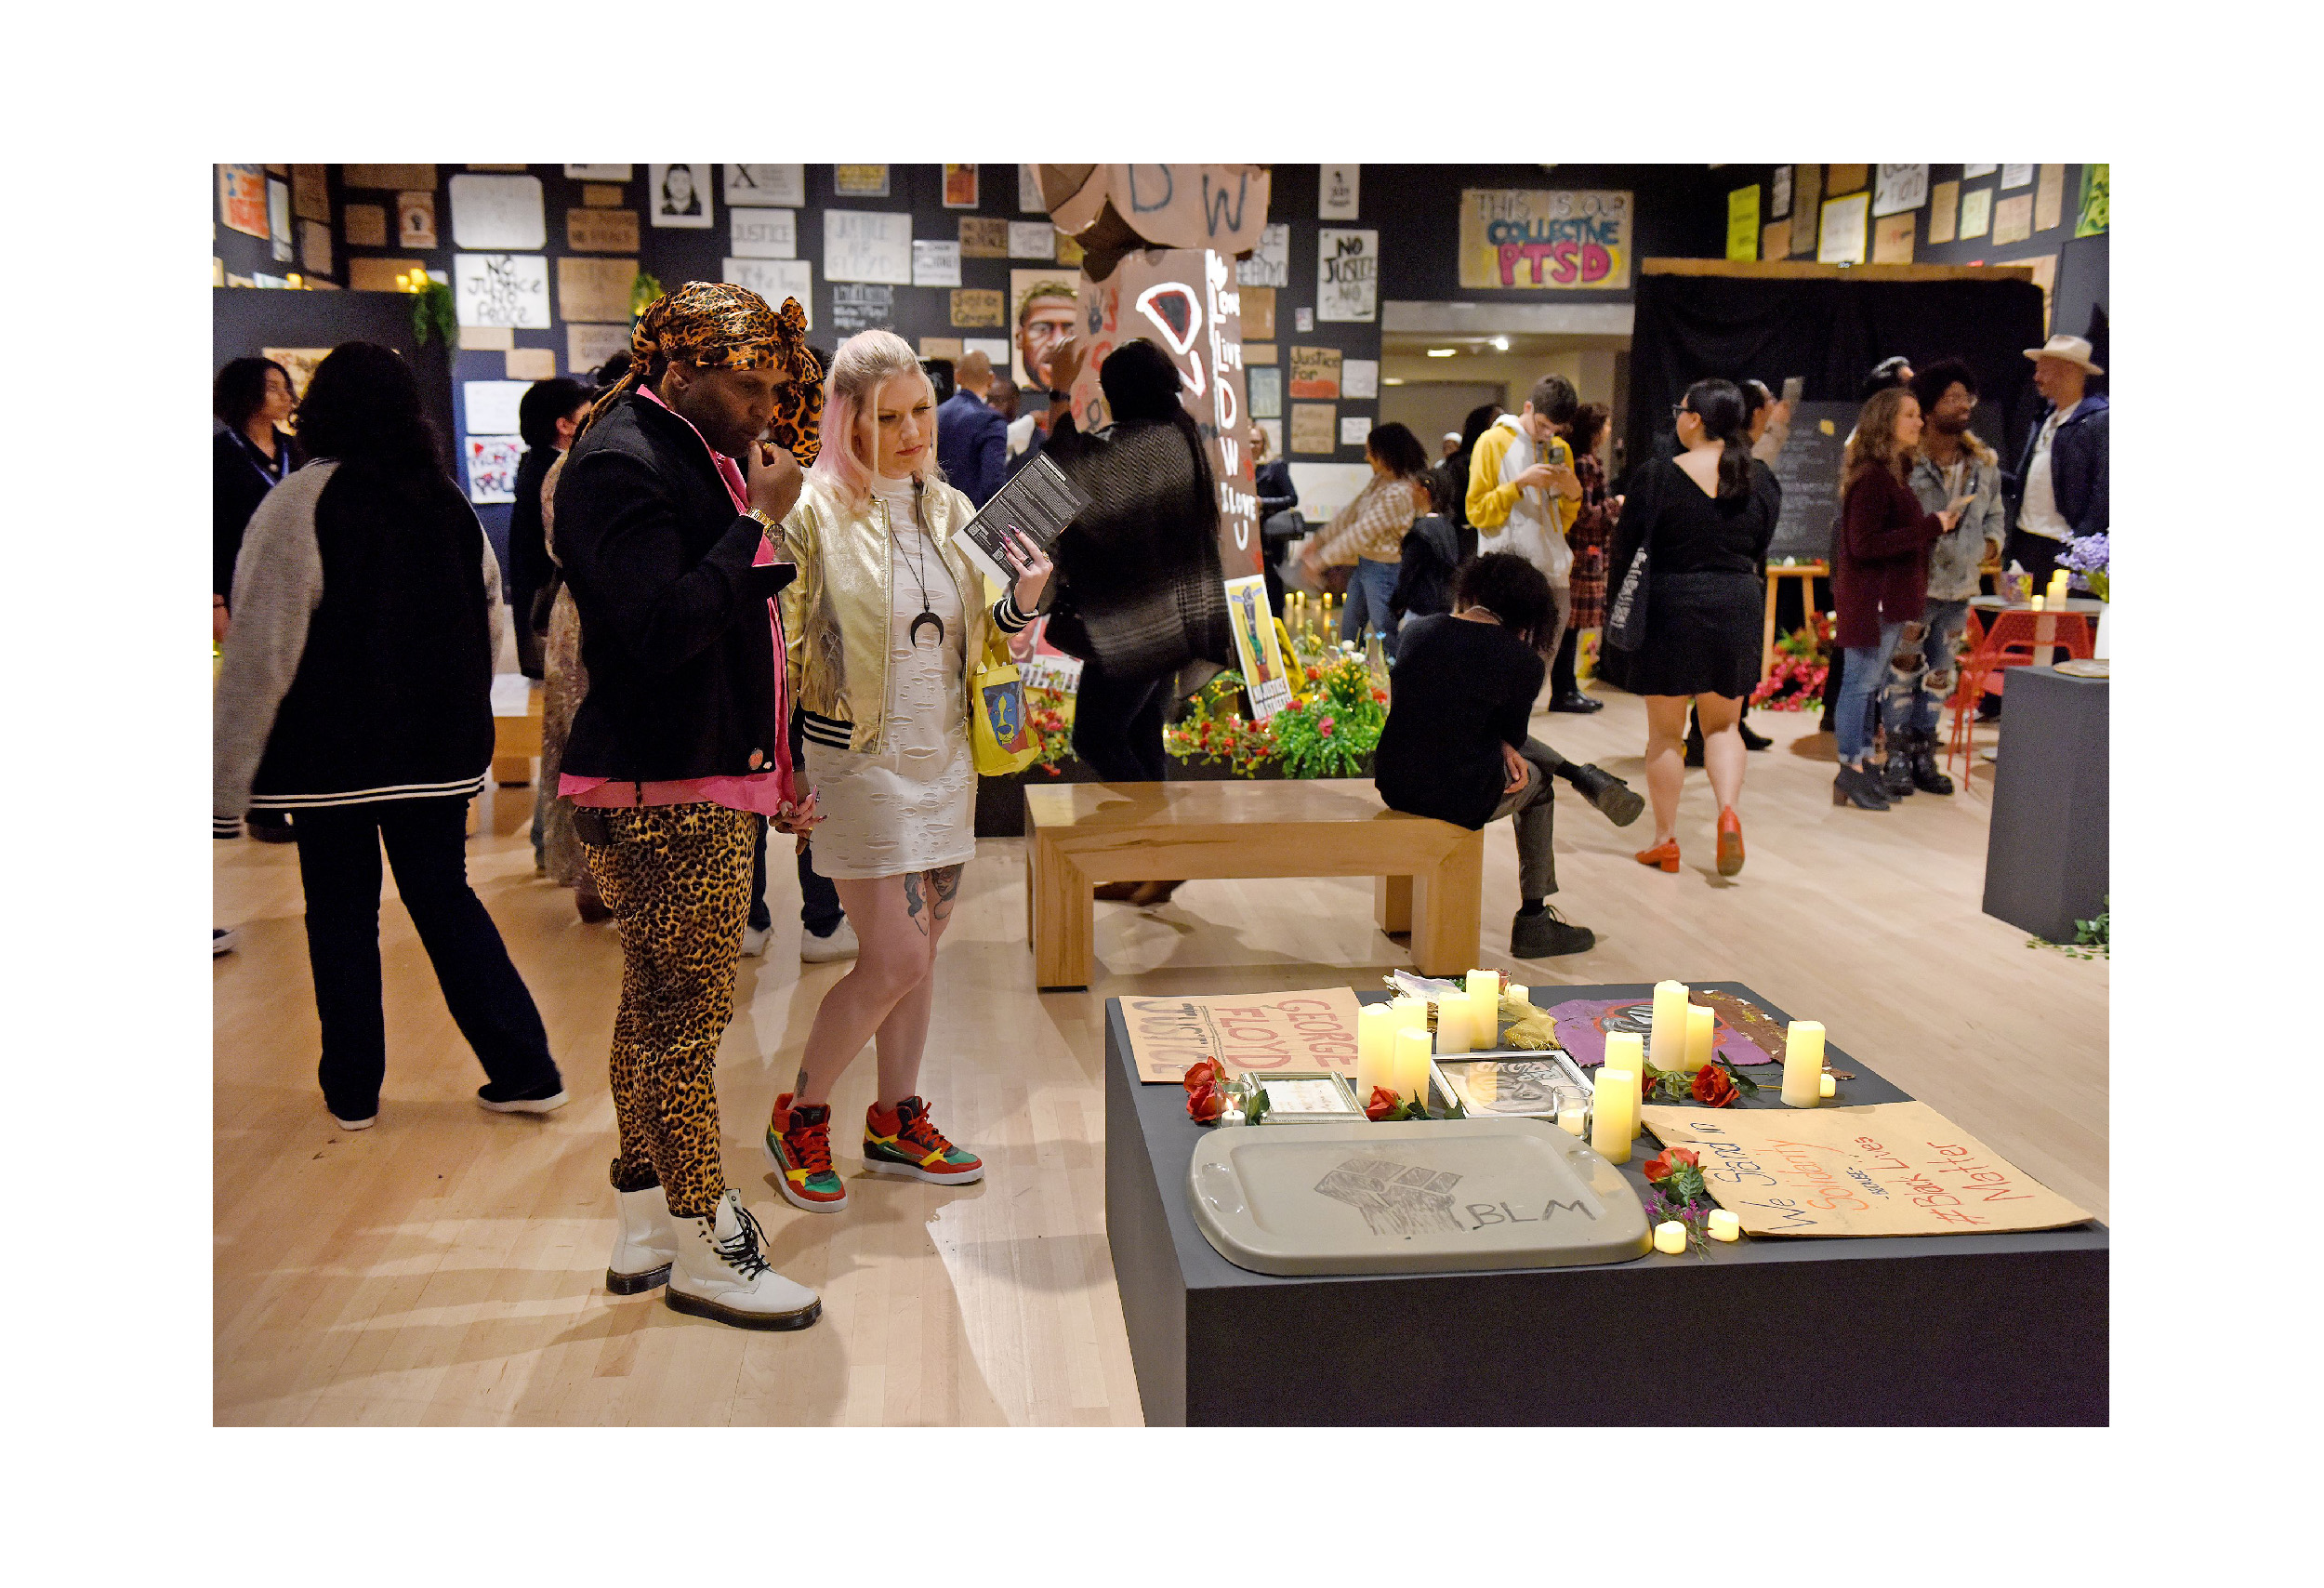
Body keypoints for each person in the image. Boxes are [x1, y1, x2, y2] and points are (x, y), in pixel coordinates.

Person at [553, 282, 825, 1330]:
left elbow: (737, 630)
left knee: (651, 1009)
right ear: (680, 367)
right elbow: (661, 626)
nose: (765, 410)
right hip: (665, 788)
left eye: (772, 387)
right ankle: (711, 1237)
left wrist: (777, 765)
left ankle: (644, 1219)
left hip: (691, 771)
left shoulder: (673, 442)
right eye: (747, 385)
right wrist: (757, 522)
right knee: (684, 1023)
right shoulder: (625, 458)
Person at [212, 341, 566, 1131]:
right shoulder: (444, 501)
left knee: (339, 914)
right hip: (436, 754)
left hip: (329, 761)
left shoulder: (299, 503)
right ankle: (525, 1068)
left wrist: (221, 791)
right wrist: (461, 722)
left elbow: (261, 651)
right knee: (444, 900)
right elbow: (488, 620)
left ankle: (353, 1092)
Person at [766, 329, 1052, 1214]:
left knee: (921, 956)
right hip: (854, 757)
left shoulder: (952, 506)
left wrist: (1025, 597)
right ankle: (800, 1112)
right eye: (887, 418)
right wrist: (781, 771)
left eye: (921, 411)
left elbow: (989, 630)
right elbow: (773, 645)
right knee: (889, 957)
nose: (912, 432)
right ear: (846, 420)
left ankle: (895, 1118)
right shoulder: (809, 515)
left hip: (945, 756)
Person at [1377, 553, 1599, 959]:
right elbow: (1513, 738)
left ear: (1473, 590)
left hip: (1394, 782)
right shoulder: (1522, 662)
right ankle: (1533, 920)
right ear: (1528, 613)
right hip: (1457, 797)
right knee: (1536, 783)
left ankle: (1579, 775)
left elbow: (1410, 706)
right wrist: (1502, 742)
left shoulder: (1417, 630)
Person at [1039, 337, 1235, 789]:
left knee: (1096, 739)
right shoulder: (1178, 435)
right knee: (1141, 732)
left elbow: (1060, 476)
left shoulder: (1143, 443)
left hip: (1139, 627)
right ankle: (1154, 846)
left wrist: (1061, 390)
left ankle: (1150, 836)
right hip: (1174, 622)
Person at [1605, 378, 1778, 877]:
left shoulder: (1657, 476)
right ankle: (1728, 813)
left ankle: (1666, 841)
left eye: (1680, 409)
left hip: (1671, 605)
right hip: (1737, 602)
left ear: (1696, 419)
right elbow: (1761, 542)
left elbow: (1627, 545)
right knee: (1723, 726)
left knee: (1665, 734)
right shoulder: (1760, 478)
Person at [1829, 386, 1974, 811]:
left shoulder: (1893, 473)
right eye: (1910, 415)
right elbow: (1863, 544)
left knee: (1868, 685)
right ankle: (1849, 767)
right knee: (1860, 685)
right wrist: (1930, 526)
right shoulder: (1873, 477)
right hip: (1871, 601)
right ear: (1886, 422)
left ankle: (1859, 764)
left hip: (1885, 600)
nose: (1920, 421)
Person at [1885, 359, 2006, 797]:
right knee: (1901, 671)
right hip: (1914, 585)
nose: (1964, 407)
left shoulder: (1982, 464)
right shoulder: (1906, 461)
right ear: (1930, 405)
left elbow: (1995, 516)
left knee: (1940, 673)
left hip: (1959, 588)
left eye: (1967, 398)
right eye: (1952, 398)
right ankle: (1896, 753)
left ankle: (1924, 753)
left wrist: (1988, 547)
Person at [214, 356, 303, 844]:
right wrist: (214, 601)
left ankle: (288, 794)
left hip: (294, 587)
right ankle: (260, 805)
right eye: (273, 387)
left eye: (285, 385)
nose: (285, 394)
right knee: (256, 692)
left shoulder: (299, 450)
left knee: (296, 694)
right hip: (237, 588)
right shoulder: (217, 456)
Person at [1686, 381, 1783, 758]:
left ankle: (1720, 730)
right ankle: (1714, 740)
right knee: (1712, 714)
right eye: (1769, 404)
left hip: (1715, 585)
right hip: (1731, 585)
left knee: (1670, 729)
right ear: (1753, 412)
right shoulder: (1743, 464)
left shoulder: (1678, 469)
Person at [1467, 376, 1584, 675]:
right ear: (1528, 407)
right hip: (1507, 573)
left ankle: (1521, 718)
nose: (1548, 434)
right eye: (1543, 425)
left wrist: (1573, 493)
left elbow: (1564, 521)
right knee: (1496, 665)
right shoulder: (1492, 442)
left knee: (1537, 669)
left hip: (1553, 572)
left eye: (1556, 430)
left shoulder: (1560, 449)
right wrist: (1518, 485)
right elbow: (1477, 512)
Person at [1301, 421, 1431, 649]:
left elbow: (1362, 532)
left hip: (1386, 571)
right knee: (1350, 631)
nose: (1367, 457)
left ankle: (1399, 679)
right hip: (1366, 566)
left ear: (1385, 453)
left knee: (1386, 632)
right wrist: (1318, 541)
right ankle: (1348, 680)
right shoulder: (1381, 481)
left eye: (1370, 451)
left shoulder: (1402, 490)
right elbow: (1350, 515)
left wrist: (1320, 561)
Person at [2002, 334, 2108, 586]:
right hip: (2024, 544)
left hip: (2062, 550)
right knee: (2016, 617)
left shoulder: (2100, 420)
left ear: (2070, 372)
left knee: (2056, 621)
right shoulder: (2045, 418)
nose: (2036, 378)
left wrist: (2080, 546)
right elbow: (2028, 480)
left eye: (2044, 370)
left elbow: (2104, 491)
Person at [508, 377, 591, 683]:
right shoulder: (557, 471)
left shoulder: (537, 465)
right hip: (554, 612)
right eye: (589, 413)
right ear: (565, 426)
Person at [1553, 402, 1618, 715]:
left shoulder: (1585, 461)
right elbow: (1584, 512)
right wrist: (1615, 506)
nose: (1609, 431)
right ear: (1595, 429)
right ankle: (1564, 690)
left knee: (1573, 624)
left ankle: (1568, 687)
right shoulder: (1584, 464)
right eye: (1606, 425)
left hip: (1584, 552)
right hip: (1581, 551)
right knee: (1571, 623)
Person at [1387, 469, 1462, 634]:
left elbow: (1408, 574)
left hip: (1420, 610)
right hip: (1444, 607)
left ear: (1424, 492)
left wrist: (1396, 605)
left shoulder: (1421, 532)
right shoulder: (1448, 527)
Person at [935, 348, 1008, 506]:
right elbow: (993, 482)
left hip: (937, 512)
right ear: (991, 379)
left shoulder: (935, 415)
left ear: (957, 376)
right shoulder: (992, 422)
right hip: (972, 516)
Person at [1437, 402, 1503, 562]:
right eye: (1498, 421)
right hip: (1469, 541)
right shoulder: (1460, 463)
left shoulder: (1503, 457)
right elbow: (1457, 509)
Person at [1254, 423, 1300, 616]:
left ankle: (1276, 624)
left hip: (1271, 536)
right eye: (1247, 441)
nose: (1251, 445)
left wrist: (1263, 502)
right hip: (1249, 534)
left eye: (1255, 441)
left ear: (1264, 443)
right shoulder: (1239, 467)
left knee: (1273, 581)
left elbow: (1292, 498)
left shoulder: (1274, 466)